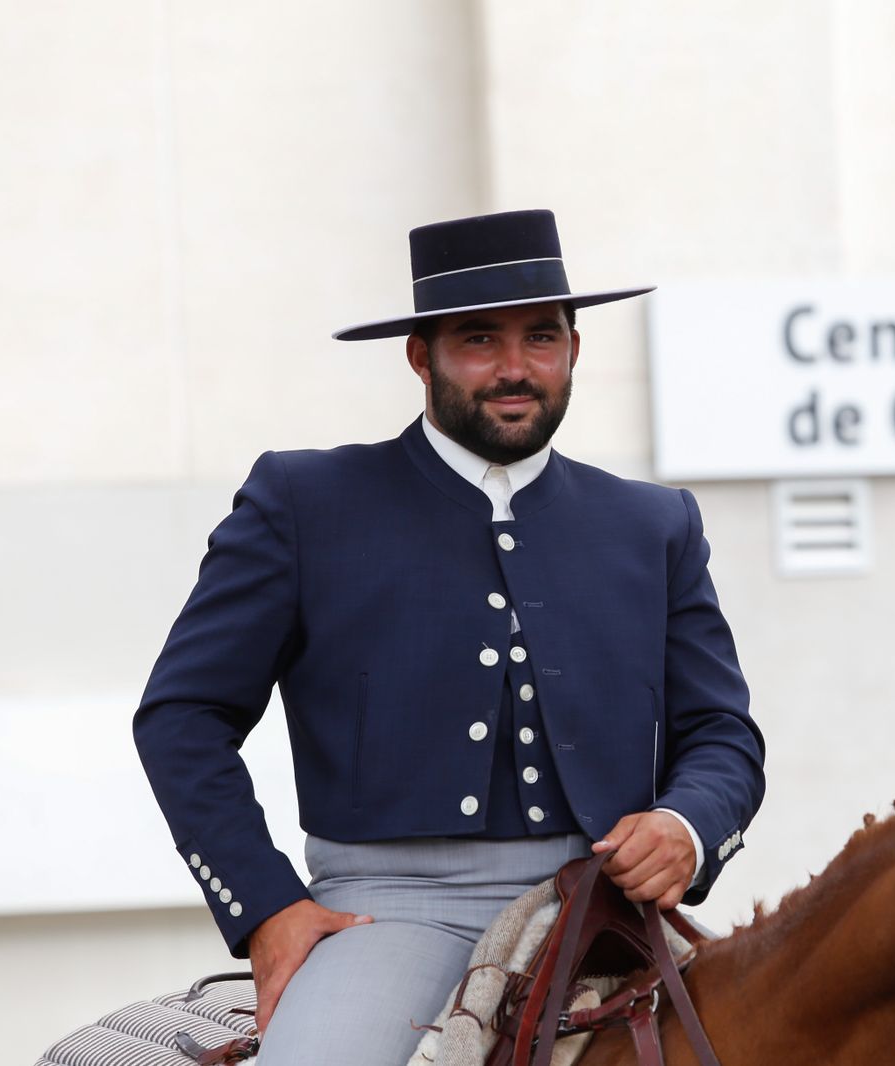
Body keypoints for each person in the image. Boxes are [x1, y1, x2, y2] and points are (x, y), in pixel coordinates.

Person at [133, 209, 765, 1065]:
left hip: (606, 905)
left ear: (575, 350)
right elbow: (182, 716)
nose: (515, 368)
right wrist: (266, 908)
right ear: (420, 356)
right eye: (479, 341)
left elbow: (723, 733)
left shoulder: (654, 523)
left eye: (541, 338)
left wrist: (687, 826)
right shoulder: (303, 502)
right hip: (386, 910)